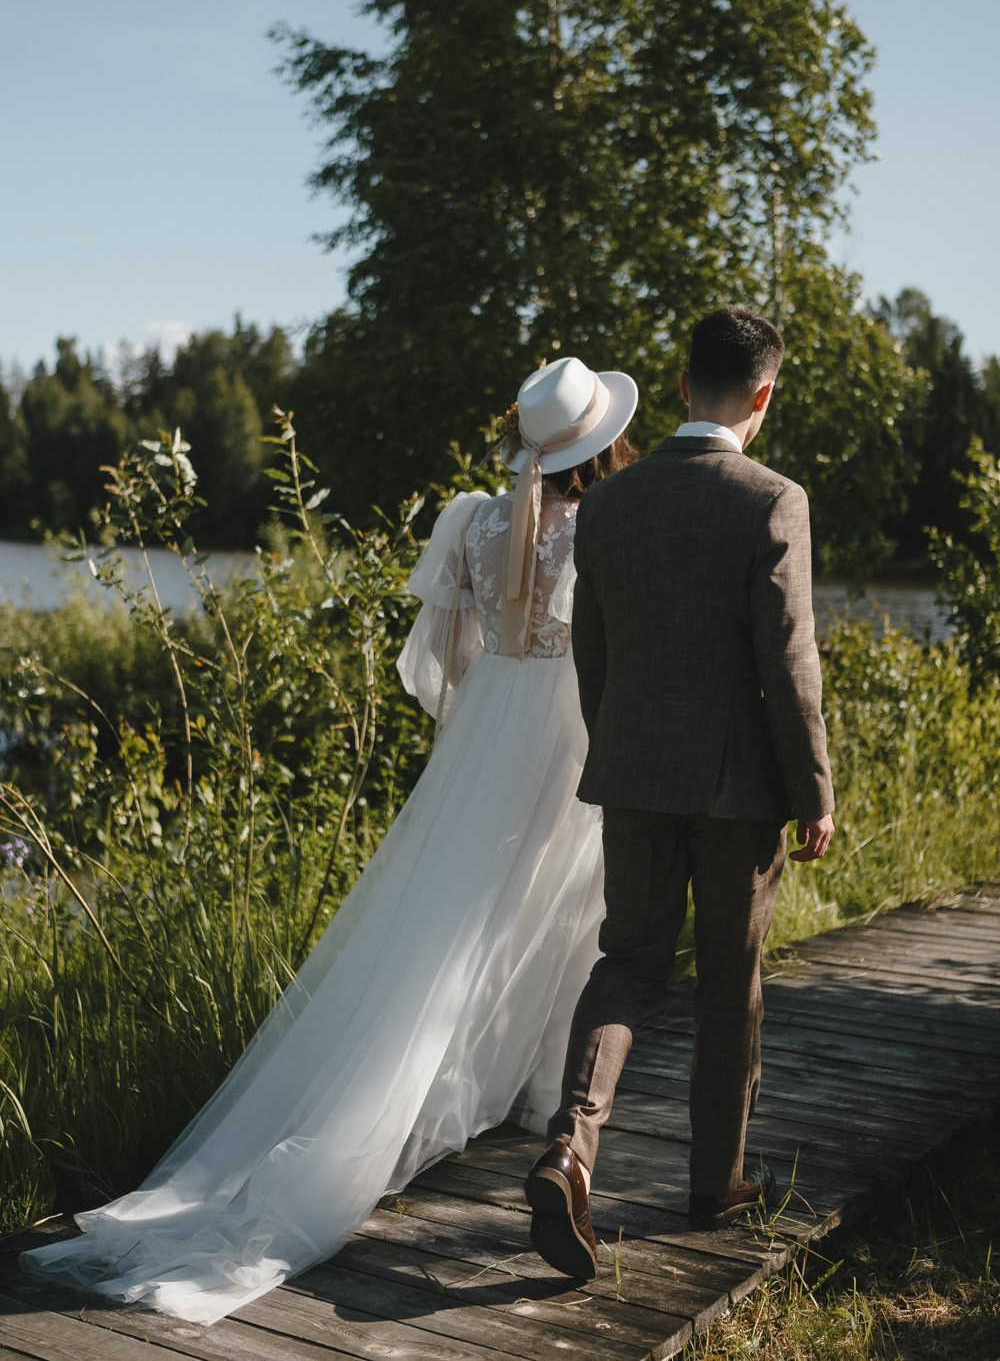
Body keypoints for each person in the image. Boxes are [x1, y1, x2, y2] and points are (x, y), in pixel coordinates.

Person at [20, 354, 638, 1326]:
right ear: (598, 445)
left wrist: (474, 739)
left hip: (484, 735)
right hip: (570, 734)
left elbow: (442, 663)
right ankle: (534, 1107)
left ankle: (453, 1094)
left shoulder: (471, 517)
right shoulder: (604, 524)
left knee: (440, 930)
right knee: (558, 912)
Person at [524, 306, 835, 1280]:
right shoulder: (770, 499)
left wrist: (620, 745)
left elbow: (594, 654)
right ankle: (716, 1184)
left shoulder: (610, 505)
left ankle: (572, 1148)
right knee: (725, 986)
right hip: (738, 793)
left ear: (679, 385)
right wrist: (813, 788)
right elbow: (789, 664)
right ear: (763, 395)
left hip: (635, 774)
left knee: (627, 960)